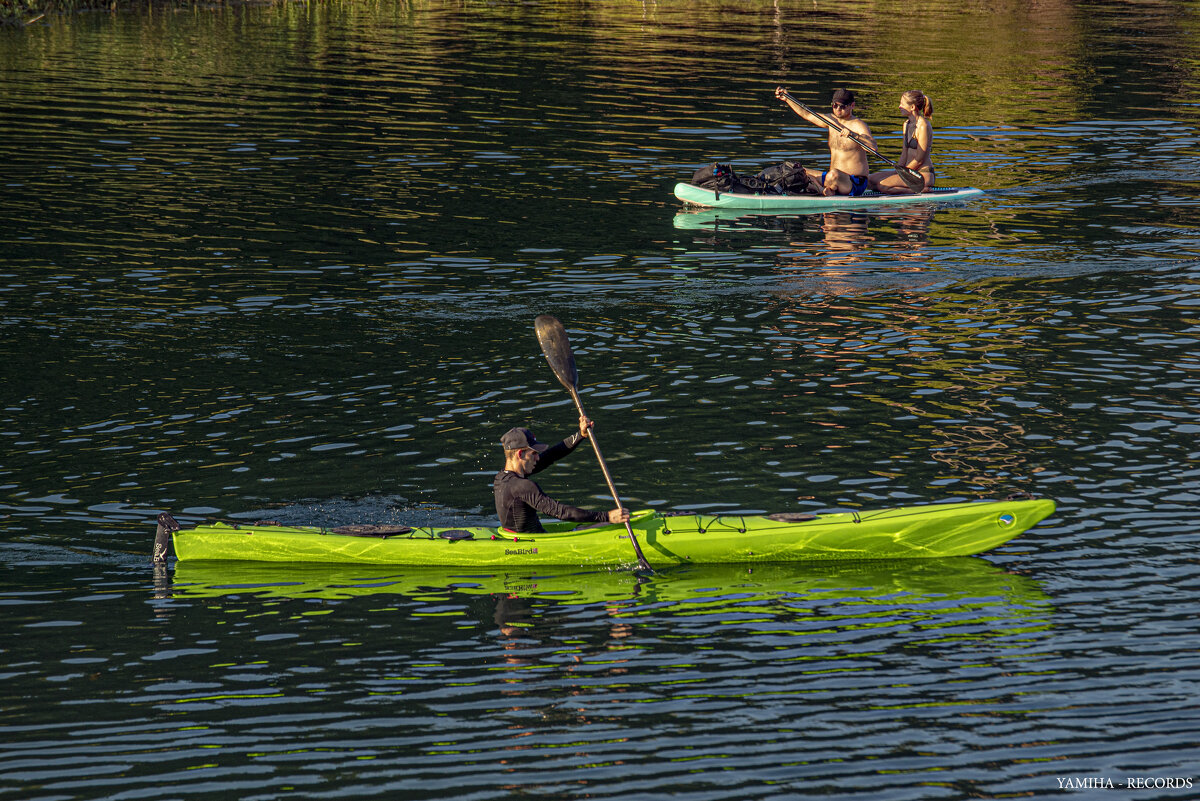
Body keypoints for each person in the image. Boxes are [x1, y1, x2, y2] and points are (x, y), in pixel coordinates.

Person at [493, 416, 630, 534]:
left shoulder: (501, 478)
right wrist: (606, 516)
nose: (538, 458)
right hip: (533, 546)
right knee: (605, 526)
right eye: (534, 454)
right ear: (520, 454)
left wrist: (580, 435)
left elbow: (551, 455)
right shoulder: (523, 486)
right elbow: (561, 512)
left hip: (525, 538)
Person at [775, 87, 876, 197]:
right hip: (831, 178)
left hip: (854, 182)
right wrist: (787, 98)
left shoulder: (858, 125)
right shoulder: (831, 120)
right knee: (795, 171)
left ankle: (822, 189)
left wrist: (854, 135)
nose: (838, 109)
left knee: (833, 175)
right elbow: (807, 114)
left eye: (842, 106)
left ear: (852, 105)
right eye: (835, 105)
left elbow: (873, 147)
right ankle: (823, 190)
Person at [869, 90, 936, 195]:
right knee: (869, 180)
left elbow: (919, 160)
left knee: (882, 185)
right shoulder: (906, 124)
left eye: (902, 104)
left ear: (912, 107)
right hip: (908, 172)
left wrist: (902, 173)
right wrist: (897, 171)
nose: (899, 106)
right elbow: (904, 153)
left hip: (922, 175)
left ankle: (917, 190)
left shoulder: (923, 126)